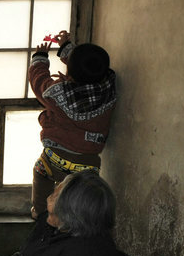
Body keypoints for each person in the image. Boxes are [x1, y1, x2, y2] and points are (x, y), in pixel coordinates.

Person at [28, 30, 117, 219]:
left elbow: (39, 83)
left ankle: (41, 214)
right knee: (82, 200)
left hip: (57, 156)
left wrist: (40, 59)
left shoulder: (60, 95)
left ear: (71, 72)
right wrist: (67, 48)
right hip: (89, 162)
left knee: (41, 172)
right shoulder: (109, 88)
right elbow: (90, 67)